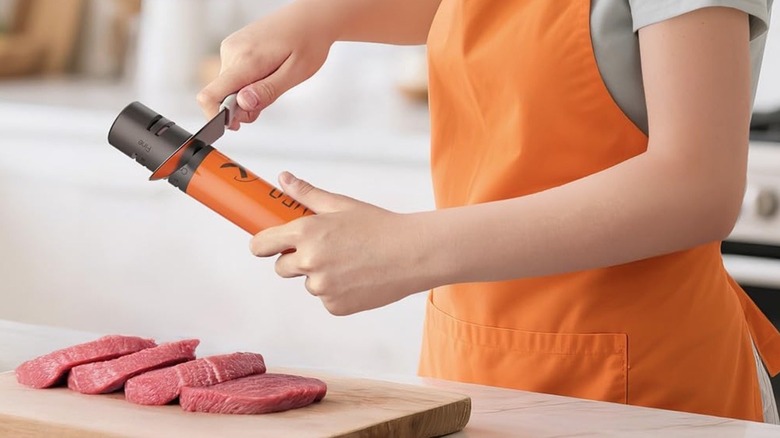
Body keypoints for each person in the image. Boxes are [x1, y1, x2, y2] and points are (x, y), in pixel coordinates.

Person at [198, 0, 780, 423]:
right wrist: (323, 19)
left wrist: (405, 251)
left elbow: (696, 186)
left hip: (640, 387)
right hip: (470, 359)